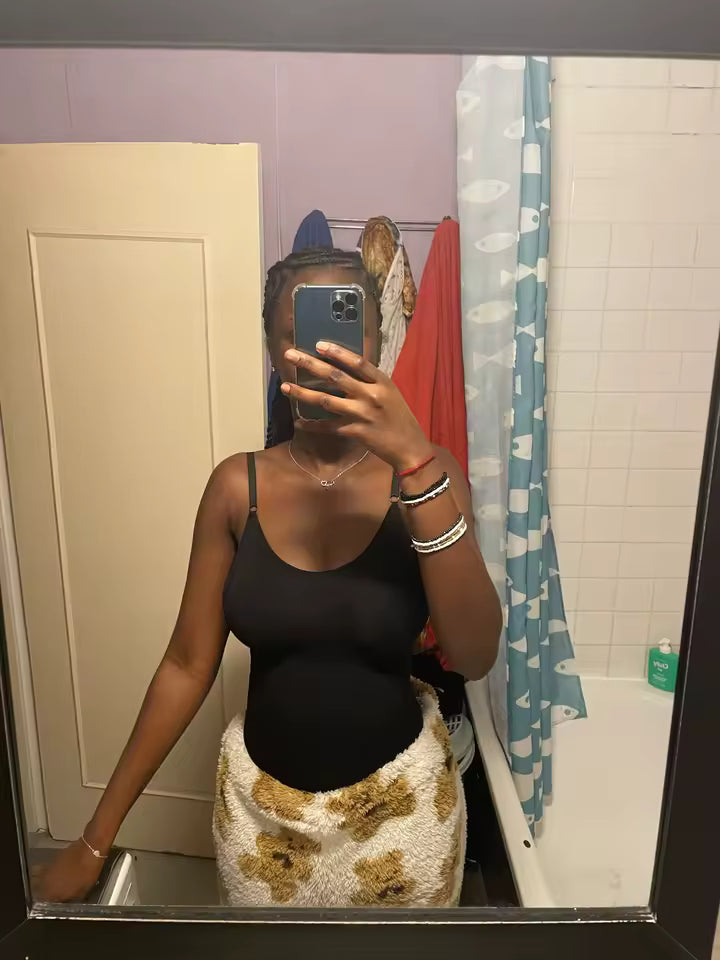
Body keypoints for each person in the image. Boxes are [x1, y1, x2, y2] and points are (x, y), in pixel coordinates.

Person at [38, 248, 502, 907]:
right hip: (262, 827)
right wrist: (94, 840)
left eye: (348, 333)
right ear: (272, 348)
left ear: (376, 343)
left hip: (403, 820)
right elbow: (185, 664)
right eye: (299, 334)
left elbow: (476, 653)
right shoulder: (237, 488)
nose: (324, 356)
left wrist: (415, 462)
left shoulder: (429, 474)